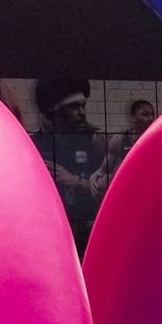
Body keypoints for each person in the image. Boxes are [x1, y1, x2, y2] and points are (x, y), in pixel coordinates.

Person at [32, 78, 110, 249]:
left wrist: (74, 181)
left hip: (90, 234)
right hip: (50, 234)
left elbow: (113, 189)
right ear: (52, 112)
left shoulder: (96, 140)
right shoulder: (33, 145)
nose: (82, 112)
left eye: (83, 105)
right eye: (74, 107)